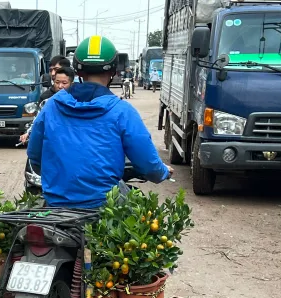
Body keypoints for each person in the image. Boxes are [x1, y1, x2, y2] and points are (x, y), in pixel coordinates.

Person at [26, 36, 173, 209]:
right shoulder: (122, 111)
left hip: (56, 204)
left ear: (78, 72)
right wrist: (162, 172)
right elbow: (147, 163)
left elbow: (35, 157)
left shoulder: (51, 106)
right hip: (103, 207)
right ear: (113, 72)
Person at [19, 67, 75, 144]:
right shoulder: (46, 101)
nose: (60, 86)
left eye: (64, 83)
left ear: (72, 84)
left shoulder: (79, 102)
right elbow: (38, 121)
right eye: (57, 82)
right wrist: (28, 133)